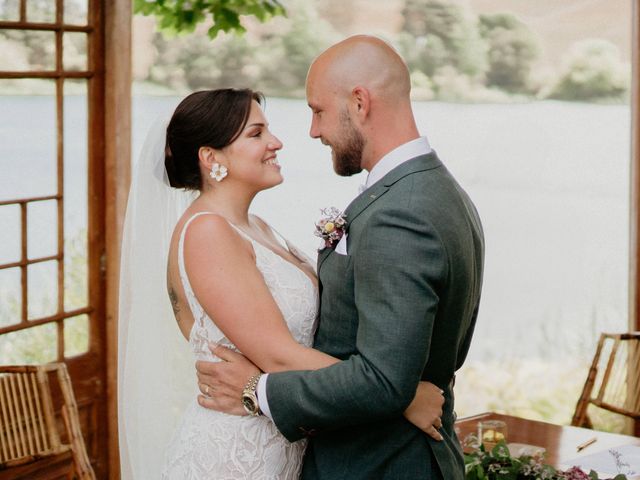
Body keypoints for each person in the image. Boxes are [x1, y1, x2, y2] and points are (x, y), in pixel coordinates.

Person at [195, 35, 485, 479]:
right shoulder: (437, 190)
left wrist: (258, 391)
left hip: (381, 463)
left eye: (317, 111)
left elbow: (384, 382)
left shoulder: (400, 212)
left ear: (360, 102)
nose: (313, 131)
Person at [118, 87, 445, 479]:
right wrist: (401, 396)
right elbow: (279, 355)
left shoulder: (256, 227)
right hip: (234, 456)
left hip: (281, 443)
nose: (276, 142)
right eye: (256, 134)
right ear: (211, 158)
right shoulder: (207, 232)